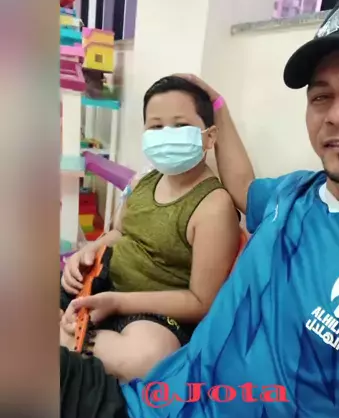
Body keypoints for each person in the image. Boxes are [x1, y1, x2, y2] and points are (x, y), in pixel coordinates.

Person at [60, 0, 339, 418]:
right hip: (144, 405)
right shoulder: (292, 194)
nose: (338, 113)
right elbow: (243, 187)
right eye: (321, 96)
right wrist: (217, 107)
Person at [59, 76, 240, 383]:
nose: (166, 135)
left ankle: (62, 342)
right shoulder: (145, 181)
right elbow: (119, 233)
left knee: (148, 356)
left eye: (180, 125)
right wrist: (88, 251)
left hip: (154, 313)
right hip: (101, 282)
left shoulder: (213, 206)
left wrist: (118, 303)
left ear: (209, 137)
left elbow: (201, 301)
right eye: (156, 127)